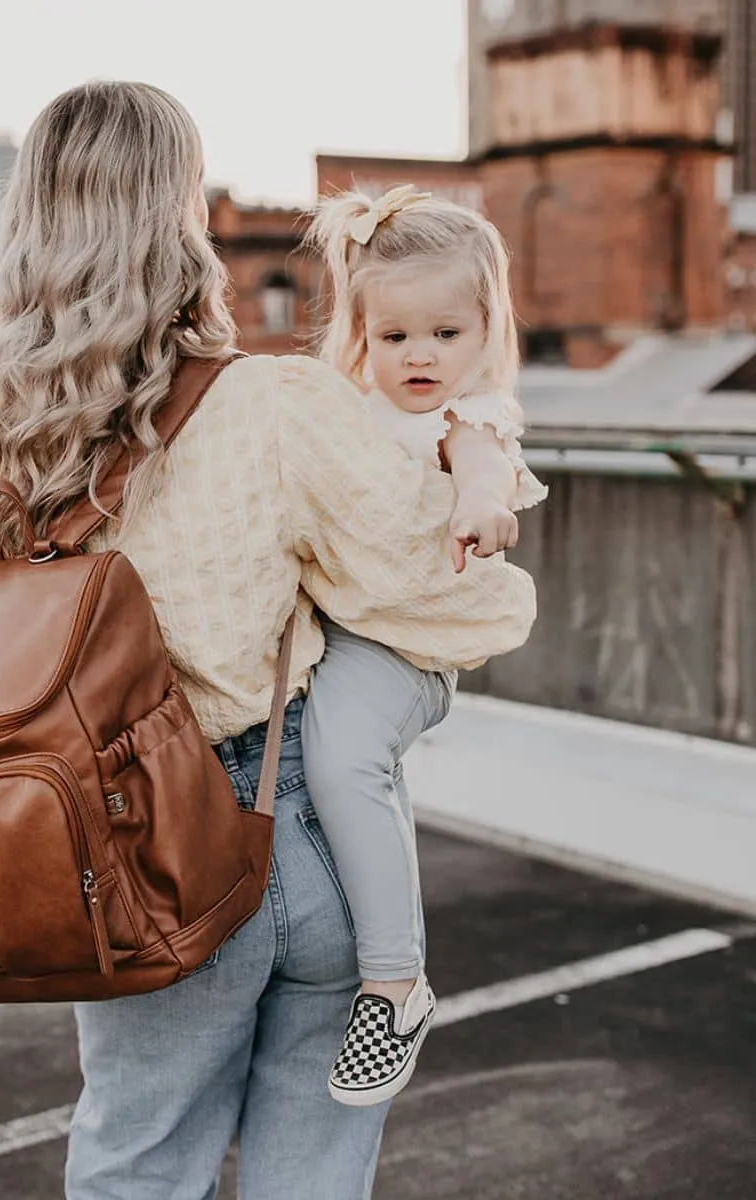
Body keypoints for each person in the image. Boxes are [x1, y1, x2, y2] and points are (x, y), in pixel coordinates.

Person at [0, 82, 536, 1200]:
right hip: (305, 830)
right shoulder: (272, 402)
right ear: (181, 222)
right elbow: (450, 603)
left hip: (116, 863)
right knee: (313, 1177)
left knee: (138, 1166)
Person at [299, 184, 548, 1107]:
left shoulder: (471, 418)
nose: (420, 356)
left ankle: (394, 983)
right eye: (396, 335)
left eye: (446, 334)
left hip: (405, 648)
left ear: (486, 331)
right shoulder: (347, 407)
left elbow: (479, 465)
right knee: (347, 771)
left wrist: (484, 503)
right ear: (363, 331)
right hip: (347, 625)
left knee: (343, 758)